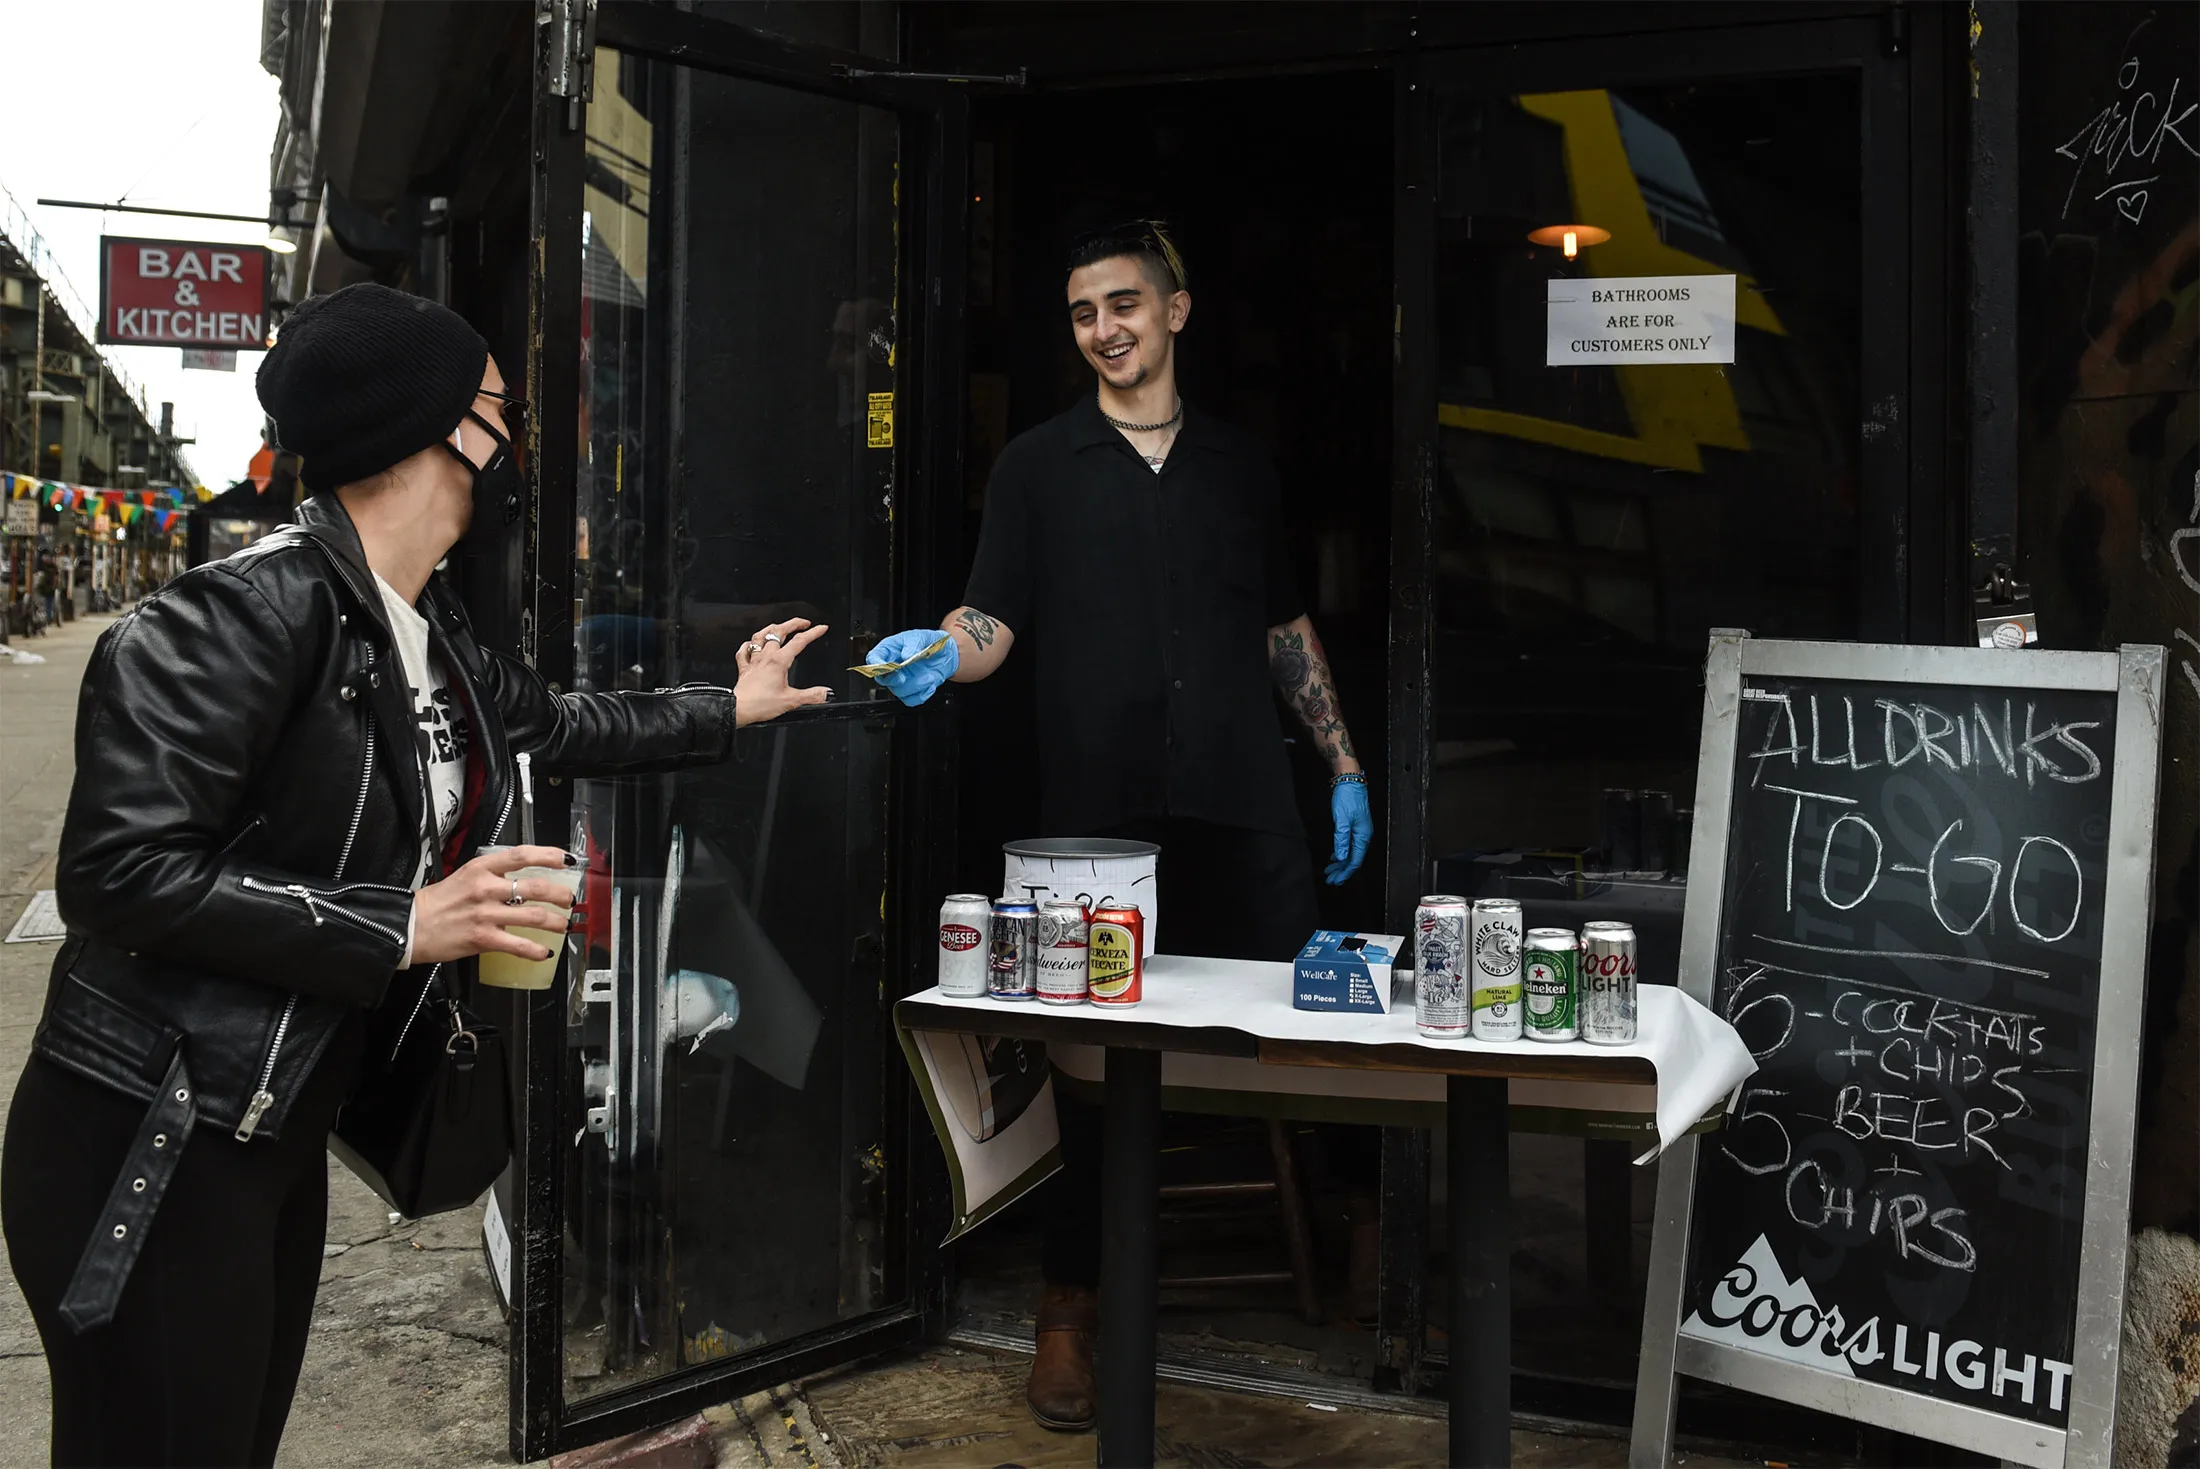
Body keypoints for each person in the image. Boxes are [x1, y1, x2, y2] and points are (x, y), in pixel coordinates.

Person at [0, 282, 831, 1467]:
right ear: (431, 430)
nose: (517, 443)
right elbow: (121, 873)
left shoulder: (417, 624)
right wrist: (405, 919)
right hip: (151, 1143)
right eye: (499, 410)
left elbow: (557, 719)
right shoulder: (230, 618)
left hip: (261, 1131)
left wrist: (729, 707)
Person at [864, 219, 1374, 1432]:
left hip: (1244, 798)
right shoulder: (1039, 466)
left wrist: (1341, 760)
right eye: (1085, 311)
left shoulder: (1244, 468)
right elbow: (993, 619)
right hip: (1093, 829)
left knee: (1310, 1027)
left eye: (1125, 303)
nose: (1105, 328)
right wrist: (941, 648)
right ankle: (1066, 1309)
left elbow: (1281, 629)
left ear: (1176, 311)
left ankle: (1359, 1243)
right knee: (1089, 1072)